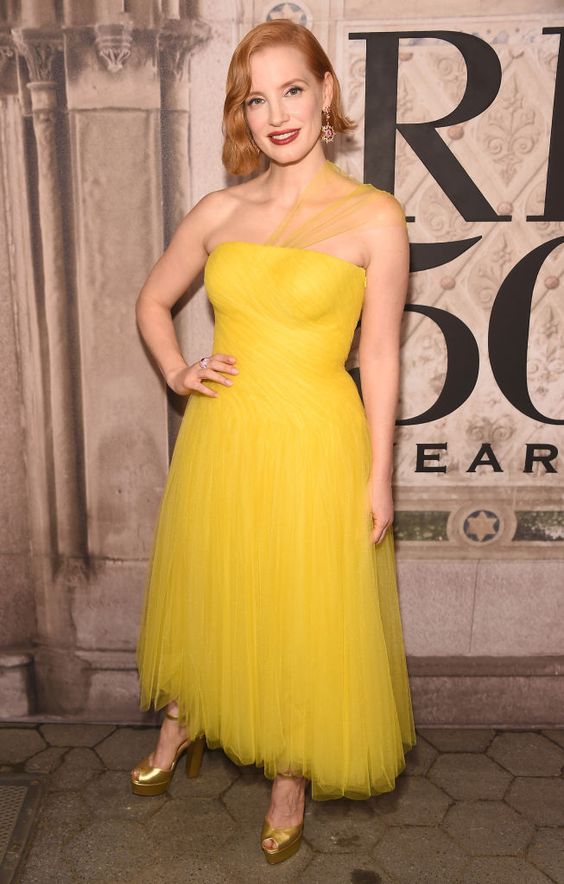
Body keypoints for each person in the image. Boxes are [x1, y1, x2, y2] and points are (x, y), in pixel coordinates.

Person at [130, 18, 416, 866]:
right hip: (223, 434)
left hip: (318, 439)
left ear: (326, 92)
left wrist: (380, 475)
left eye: (292, 90)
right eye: (257, 100)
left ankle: (290, 776)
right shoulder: (221, 210)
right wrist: (179, 371)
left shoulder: (374, 217)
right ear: (243, 113)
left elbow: (379, 355)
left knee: (299, 602)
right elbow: (152, 301)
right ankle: (184, 717)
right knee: (218, 579)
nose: (277, 114)